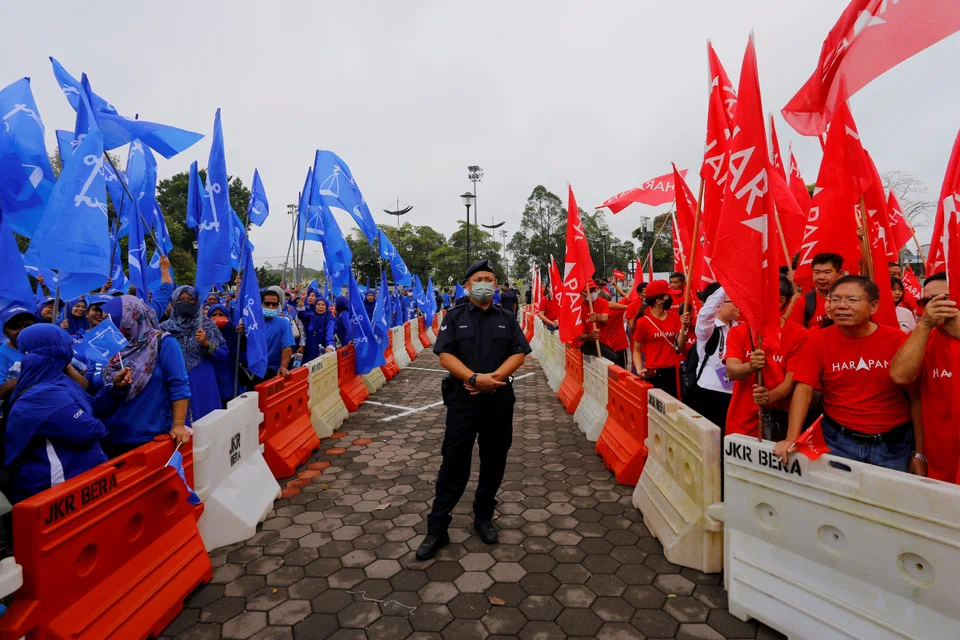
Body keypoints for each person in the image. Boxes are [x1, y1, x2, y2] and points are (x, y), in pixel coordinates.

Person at [418, 260, 531, 560]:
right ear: (467, 286)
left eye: (490, 279)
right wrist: (473, 378)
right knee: (454, 464)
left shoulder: (507, 317)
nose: (486, 283)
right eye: (479, 279)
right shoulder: (454, 317)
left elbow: (519, 353)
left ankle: (484, 517)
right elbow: (444, 355)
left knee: (494, 462)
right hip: (463, 402)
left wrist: (493, 380)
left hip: (498, 401)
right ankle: (437, 528)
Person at [776, 276, 919, 472]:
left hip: (893, 446)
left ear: (874, 306)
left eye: (852, 300)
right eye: (835, 299)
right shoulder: (817, 340)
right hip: (837, 442)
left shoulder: (899, 340)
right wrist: (791, 438)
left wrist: (919, 453)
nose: (841, 306)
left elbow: (915, 397)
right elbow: (803, 388)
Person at [2, 325, 133, 503]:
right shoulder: (39, 396)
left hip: (82, 485)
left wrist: (116, 390)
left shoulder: (59, 379)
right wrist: (106, 424)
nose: (71, 352)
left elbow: (93, 407)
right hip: (57, 494)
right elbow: (91, 430)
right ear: (54, 352)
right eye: (66, 347)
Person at [100, 296, 191, 458]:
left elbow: (179, 385)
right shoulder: (108, 347)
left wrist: (178, 425)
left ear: (131, 318)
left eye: (112, 320)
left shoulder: (162, 342)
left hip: (151, 437)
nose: (107, 326)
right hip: (113, 437)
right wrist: (116, 386)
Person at [891, 273, 960, 482]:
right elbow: (901, 377)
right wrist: (923, 326)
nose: (932, 306)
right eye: (926, 301)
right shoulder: (922, 339)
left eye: (942, 298)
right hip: (941, 460)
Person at [725, 276, 808, 441]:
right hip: (741, 423)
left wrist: (768, 397)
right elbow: (732, 370)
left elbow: (791, 382)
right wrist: (750, 366)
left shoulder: (800, 335)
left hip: (778, 424)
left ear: (780, 301)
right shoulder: (739, 332)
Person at [160, 286, 225, 421]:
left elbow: (224, 356)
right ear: (173, 302)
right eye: (181, 299)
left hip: (202, 381)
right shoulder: (163, 328)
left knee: (206, 422)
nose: (186, 303)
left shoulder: (207, 325)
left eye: (190, 299)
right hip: (172, 380)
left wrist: (207, 343)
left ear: (197, 302)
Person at [689, 284, 739, 430]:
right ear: (719, 304)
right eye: (733, 300)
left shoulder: (739, 327)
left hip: (735, 394)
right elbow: (706, 313)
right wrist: (727, 283)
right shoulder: (707, 329)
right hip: (709, 393)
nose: (738, 304)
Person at [631, 280, 689, 396]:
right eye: (668, 296)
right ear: (659, 301)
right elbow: (637, 350)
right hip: (653, 372)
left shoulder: (674, 317)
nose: (671, 298)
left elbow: (680, 346)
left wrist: (684, 328)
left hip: (672, 370)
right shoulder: (643, 322)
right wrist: (639, 369)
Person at [247, 286, 295, 382]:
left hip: (273, 371)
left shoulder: (284, 323)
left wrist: (283, 367)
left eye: (274, 304)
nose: (270, 307)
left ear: (278, 305)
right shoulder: (250, 322)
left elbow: (287, 347)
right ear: (261, 303)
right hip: (253, 370)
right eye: (267, 304)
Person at [790, 253, 843, 329]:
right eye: (817, 272)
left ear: (840, 273)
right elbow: (795, 335)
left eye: (827, 272)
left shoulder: (850, 300)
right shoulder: (803, 302)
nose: (821, 277)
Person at [208, 304, 244, 406]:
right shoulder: (204, 333)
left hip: (231, 378)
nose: (217, 317)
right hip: (213, 378)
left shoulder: (234, 331)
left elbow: (240, 351)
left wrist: (241, 336)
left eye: (221, 314)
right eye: (214, 315)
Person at [575, 282, 620, 362]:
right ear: (582, 294)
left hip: (604, 341)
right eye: (589, 291)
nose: (592, 293)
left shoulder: (602, 302)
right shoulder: (578, 309)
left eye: (593, 290)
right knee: (613, 358)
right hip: (587, 343)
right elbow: (580, 337)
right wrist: (590, 336)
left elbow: (605, 320)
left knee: (615, 358)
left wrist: (597, 318)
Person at [0, 305, 35, 399]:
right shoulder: (1, 354)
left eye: (28, 326)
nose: (23, 331)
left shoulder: (47, 349)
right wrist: (38, 373)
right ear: (5, 333)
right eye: (15, 327)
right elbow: (1, 392)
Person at [598, 290, 630, 368]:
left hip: (605, 347)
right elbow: (628, 297)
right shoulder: (617, 308)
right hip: (619, 346)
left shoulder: (596, 312)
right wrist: (633, 286)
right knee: (622, 370)